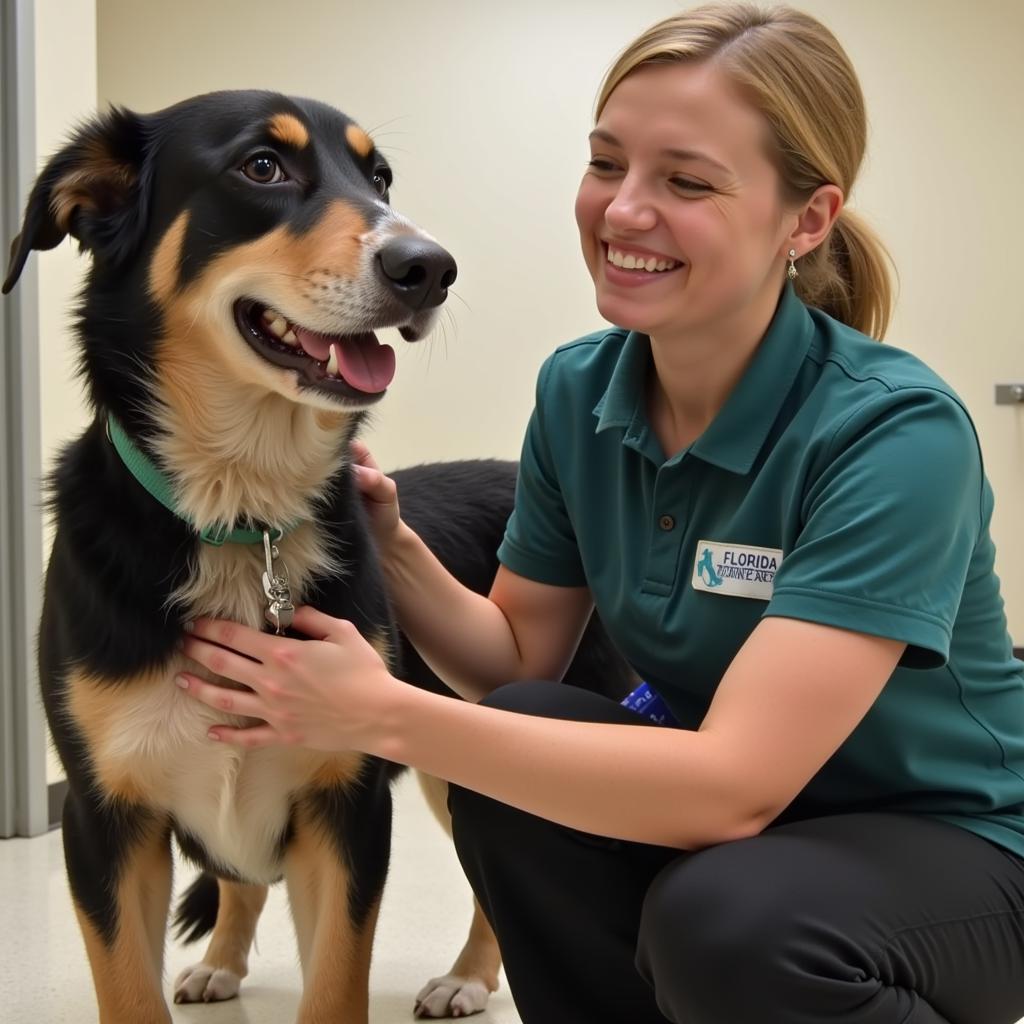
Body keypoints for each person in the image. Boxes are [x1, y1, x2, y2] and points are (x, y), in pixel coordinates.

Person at [175, 4, 1024, 1022]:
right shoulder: (581, 391)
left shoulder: (894, 434)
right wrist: (388, 541)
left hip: (957, 846)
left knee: (728, 920)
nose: (621, 211)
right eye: (605, 163)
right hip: (753, 836)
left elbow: (732, 787)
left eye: (686, 181)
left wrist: (384, 713)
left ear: (804, 220)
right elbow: (514, 662)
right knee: (516, 737)